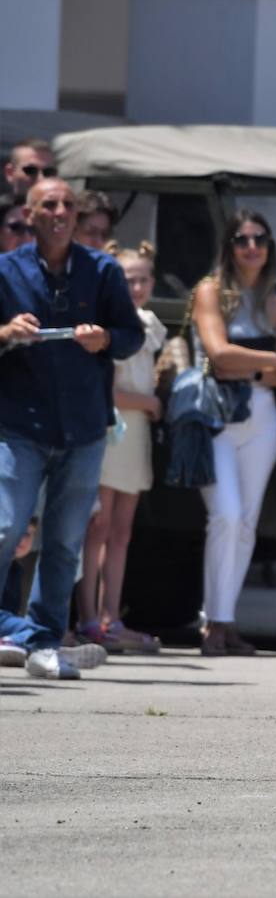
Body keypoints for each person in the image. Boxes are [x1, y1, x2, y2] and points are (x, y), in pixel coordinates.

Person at [0, 177, 144, 679]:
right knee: (5, 525)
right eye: (49, 205)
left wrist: (104, 338)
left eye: (67, 205)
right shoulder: (6, 271)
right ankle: (9, 628)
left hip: (82, 428)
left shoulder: (102, 270)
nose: (61, 212)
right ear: (30, 214)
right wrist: (6, 332)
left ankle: (42, 642)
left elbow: (131, 335)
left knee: (63, 542)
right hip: (19, 426)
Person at [192, 210, 276, 656]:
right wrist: (268, 362)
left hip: (261, 417)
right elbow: (218, 356)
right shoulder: (210, 291)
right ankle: (211, 623)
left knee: (247, 523)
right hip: (216, 415)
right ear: (229, 247)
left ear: (270, 247)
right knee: (226, 515)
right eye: (241, 239)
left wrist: (262, 365)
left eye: (259, 238)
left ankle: (225, 620)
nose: (251, 246)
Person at [75, 241, 166, 651]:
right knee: (98, 527)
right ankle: (89, 618)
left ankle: (112, 617)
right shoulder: (113, 323)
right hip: (114, 431)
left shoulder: (149, 323)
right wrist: (149, 402)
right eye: (128, 279)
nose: (137, 286)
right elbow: (109, 391)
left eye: (143, 278)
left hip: (137, 436)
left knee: (122, 532)